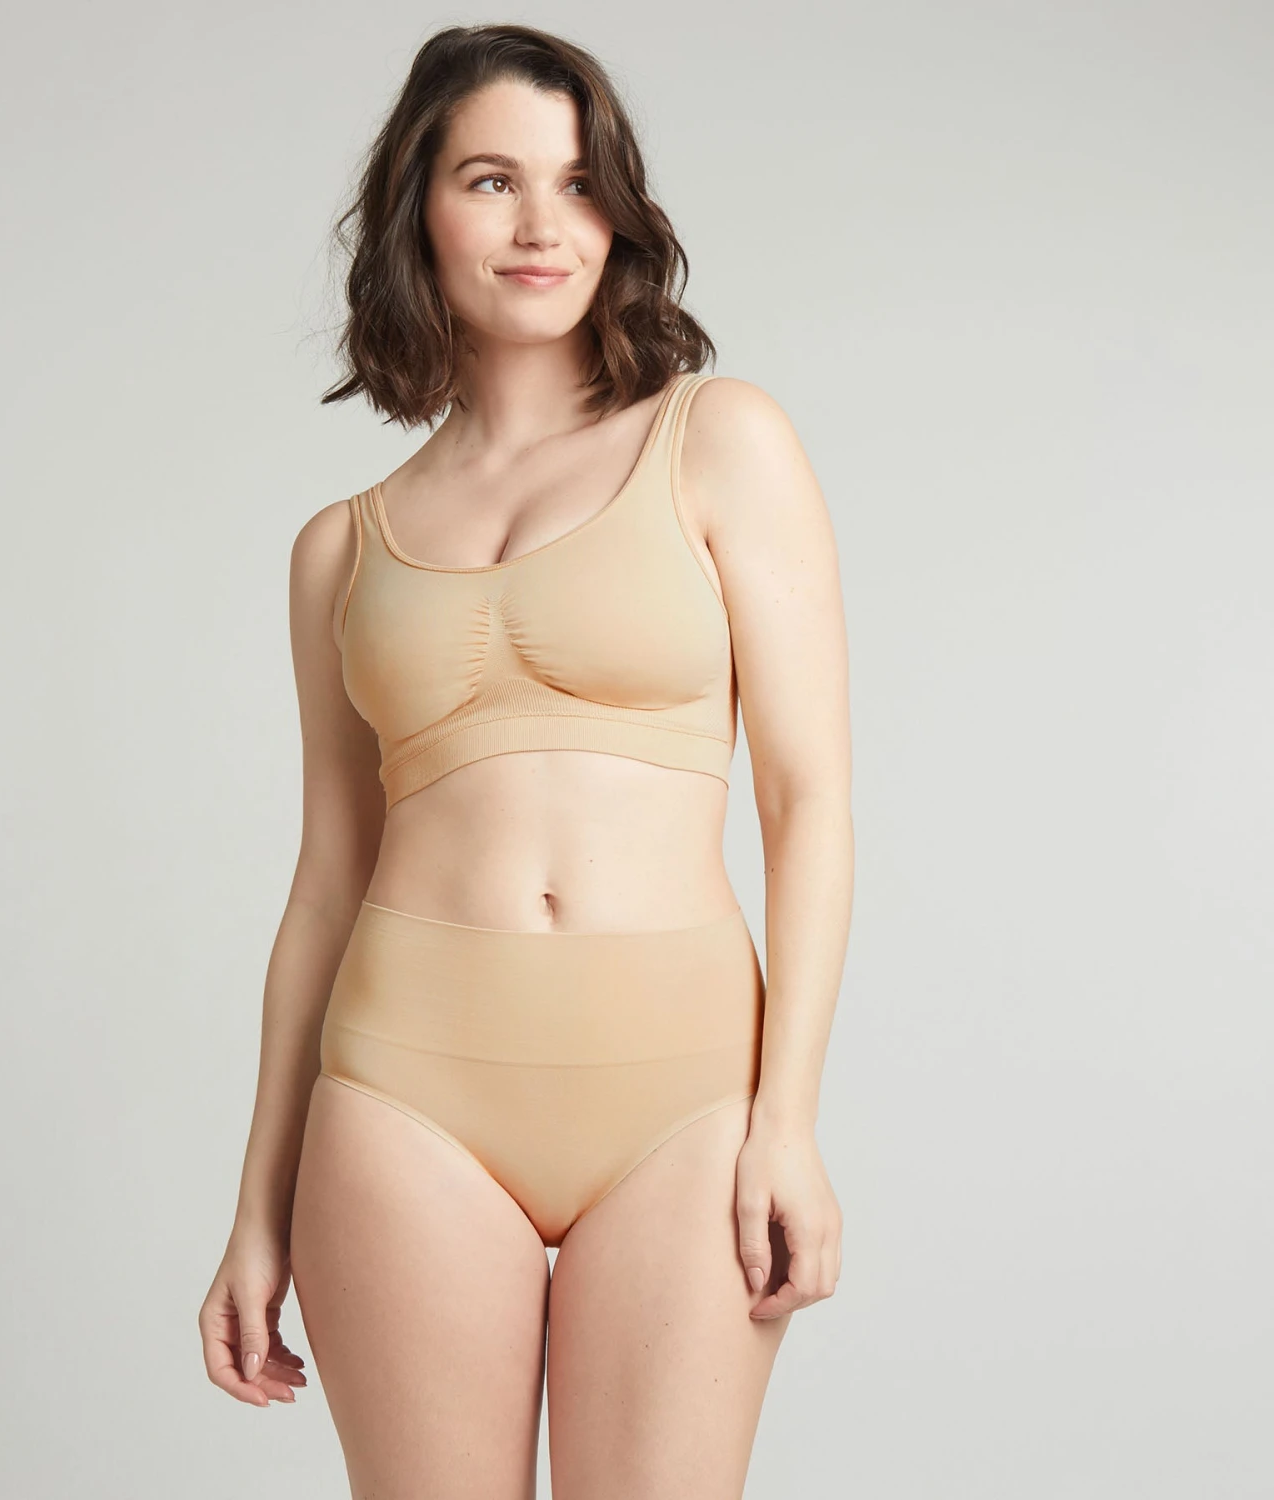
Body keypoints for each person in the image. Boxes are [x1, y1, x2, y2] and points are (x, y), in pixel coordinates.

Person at [198, 22, 853, 1499]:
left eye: (578, 182)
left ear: (618, 214)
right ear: (418, 209)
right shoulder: (338, 551)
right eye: (492, 180)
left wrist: (790, 1124)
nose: (543, 224)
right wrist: (255, 1208)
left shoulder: (718, 441)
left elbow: (808, 802)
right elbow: (324, 886)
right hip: (402, 1097)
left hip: (684, 1098)